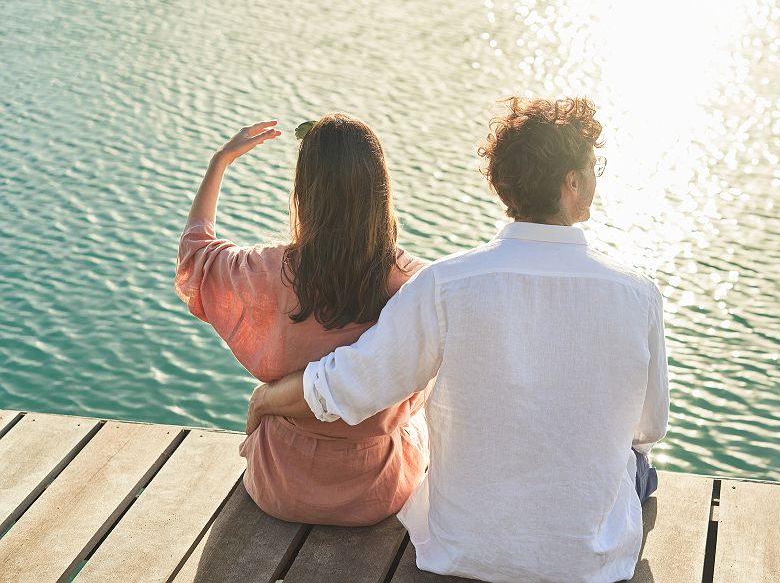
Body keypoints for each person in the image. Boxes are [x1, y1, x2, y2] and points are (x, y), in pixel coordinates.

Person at [246, 97, 669, 583]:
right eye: (593, 167)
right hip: (590, 562)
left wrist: (265, 399)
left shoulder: (444, 285)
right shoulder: (638, 295)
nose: (596, 179)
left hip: (463, 551)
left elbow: (346, 386)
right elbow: (649, 427)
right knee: (637, 465)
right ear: (571, 182)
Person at [174, 115, 429, 526]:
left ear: (303, 192)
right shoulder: (416, 282)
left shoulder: (270, 269)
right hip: (376, 489)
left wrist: (219, 162)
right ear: (380, 190)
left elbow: (195, 255)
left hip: (280, 486)